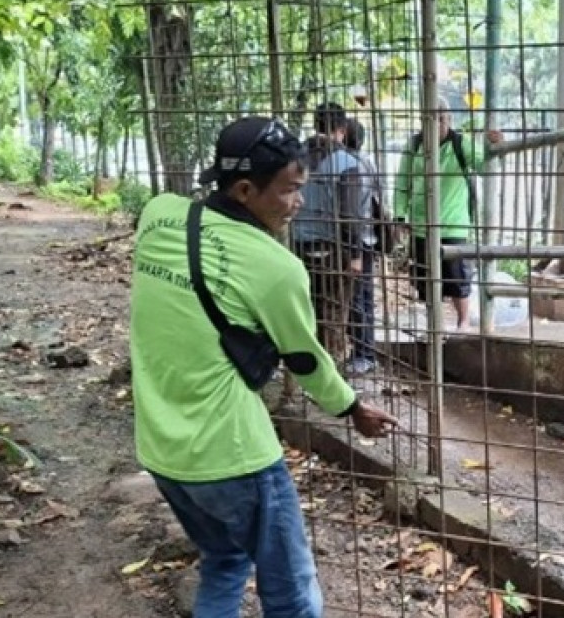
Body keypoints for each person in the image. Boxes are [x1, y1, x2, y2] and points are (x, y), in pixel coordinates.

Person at [130, 115, 396, 617]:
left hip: (161, 449)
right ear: (246, 190)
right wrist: (353, 409)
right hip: (232, 457)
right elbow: (305, 359)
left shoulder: (158, 214)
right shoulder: (276, 268)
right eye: (290, 190)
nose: (299, 202)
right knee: (291, 596)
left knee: (224, 561)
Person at [393, 96, 502, 332]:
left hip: (453, 224)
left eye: (440, 119)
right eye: (429, 119)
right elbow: (402, 183)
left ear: (449, 119)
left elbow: (485, 167)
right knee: (426, 279)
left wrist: (493, 149)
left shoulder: (461, 144)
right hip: (421, 224)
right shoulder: (414, 146)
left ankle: (463, 323)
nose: (435, 124)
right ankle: (436, 324)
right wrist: (399, 216)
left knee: (457, 278)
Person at [292, 102, 371, 363]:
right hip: (332, 251)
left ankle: (299, 374)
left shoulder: (294, 157)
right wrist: (356, 255)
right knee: (333, 317)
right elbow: (350, 214)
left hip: (296, 248)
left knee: (303, 314)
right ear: (342, 128)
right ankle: (329, 371)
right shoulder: (346, 163)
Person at [343, 117, 386, 373]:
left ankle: (363, 354)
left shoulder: (350, 164)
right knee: (364, 298)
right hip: (368, 237)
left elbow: (354, 211)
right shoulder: (368, 161)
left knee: (357, 299)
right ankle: (364, 352)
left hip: (356, 239)